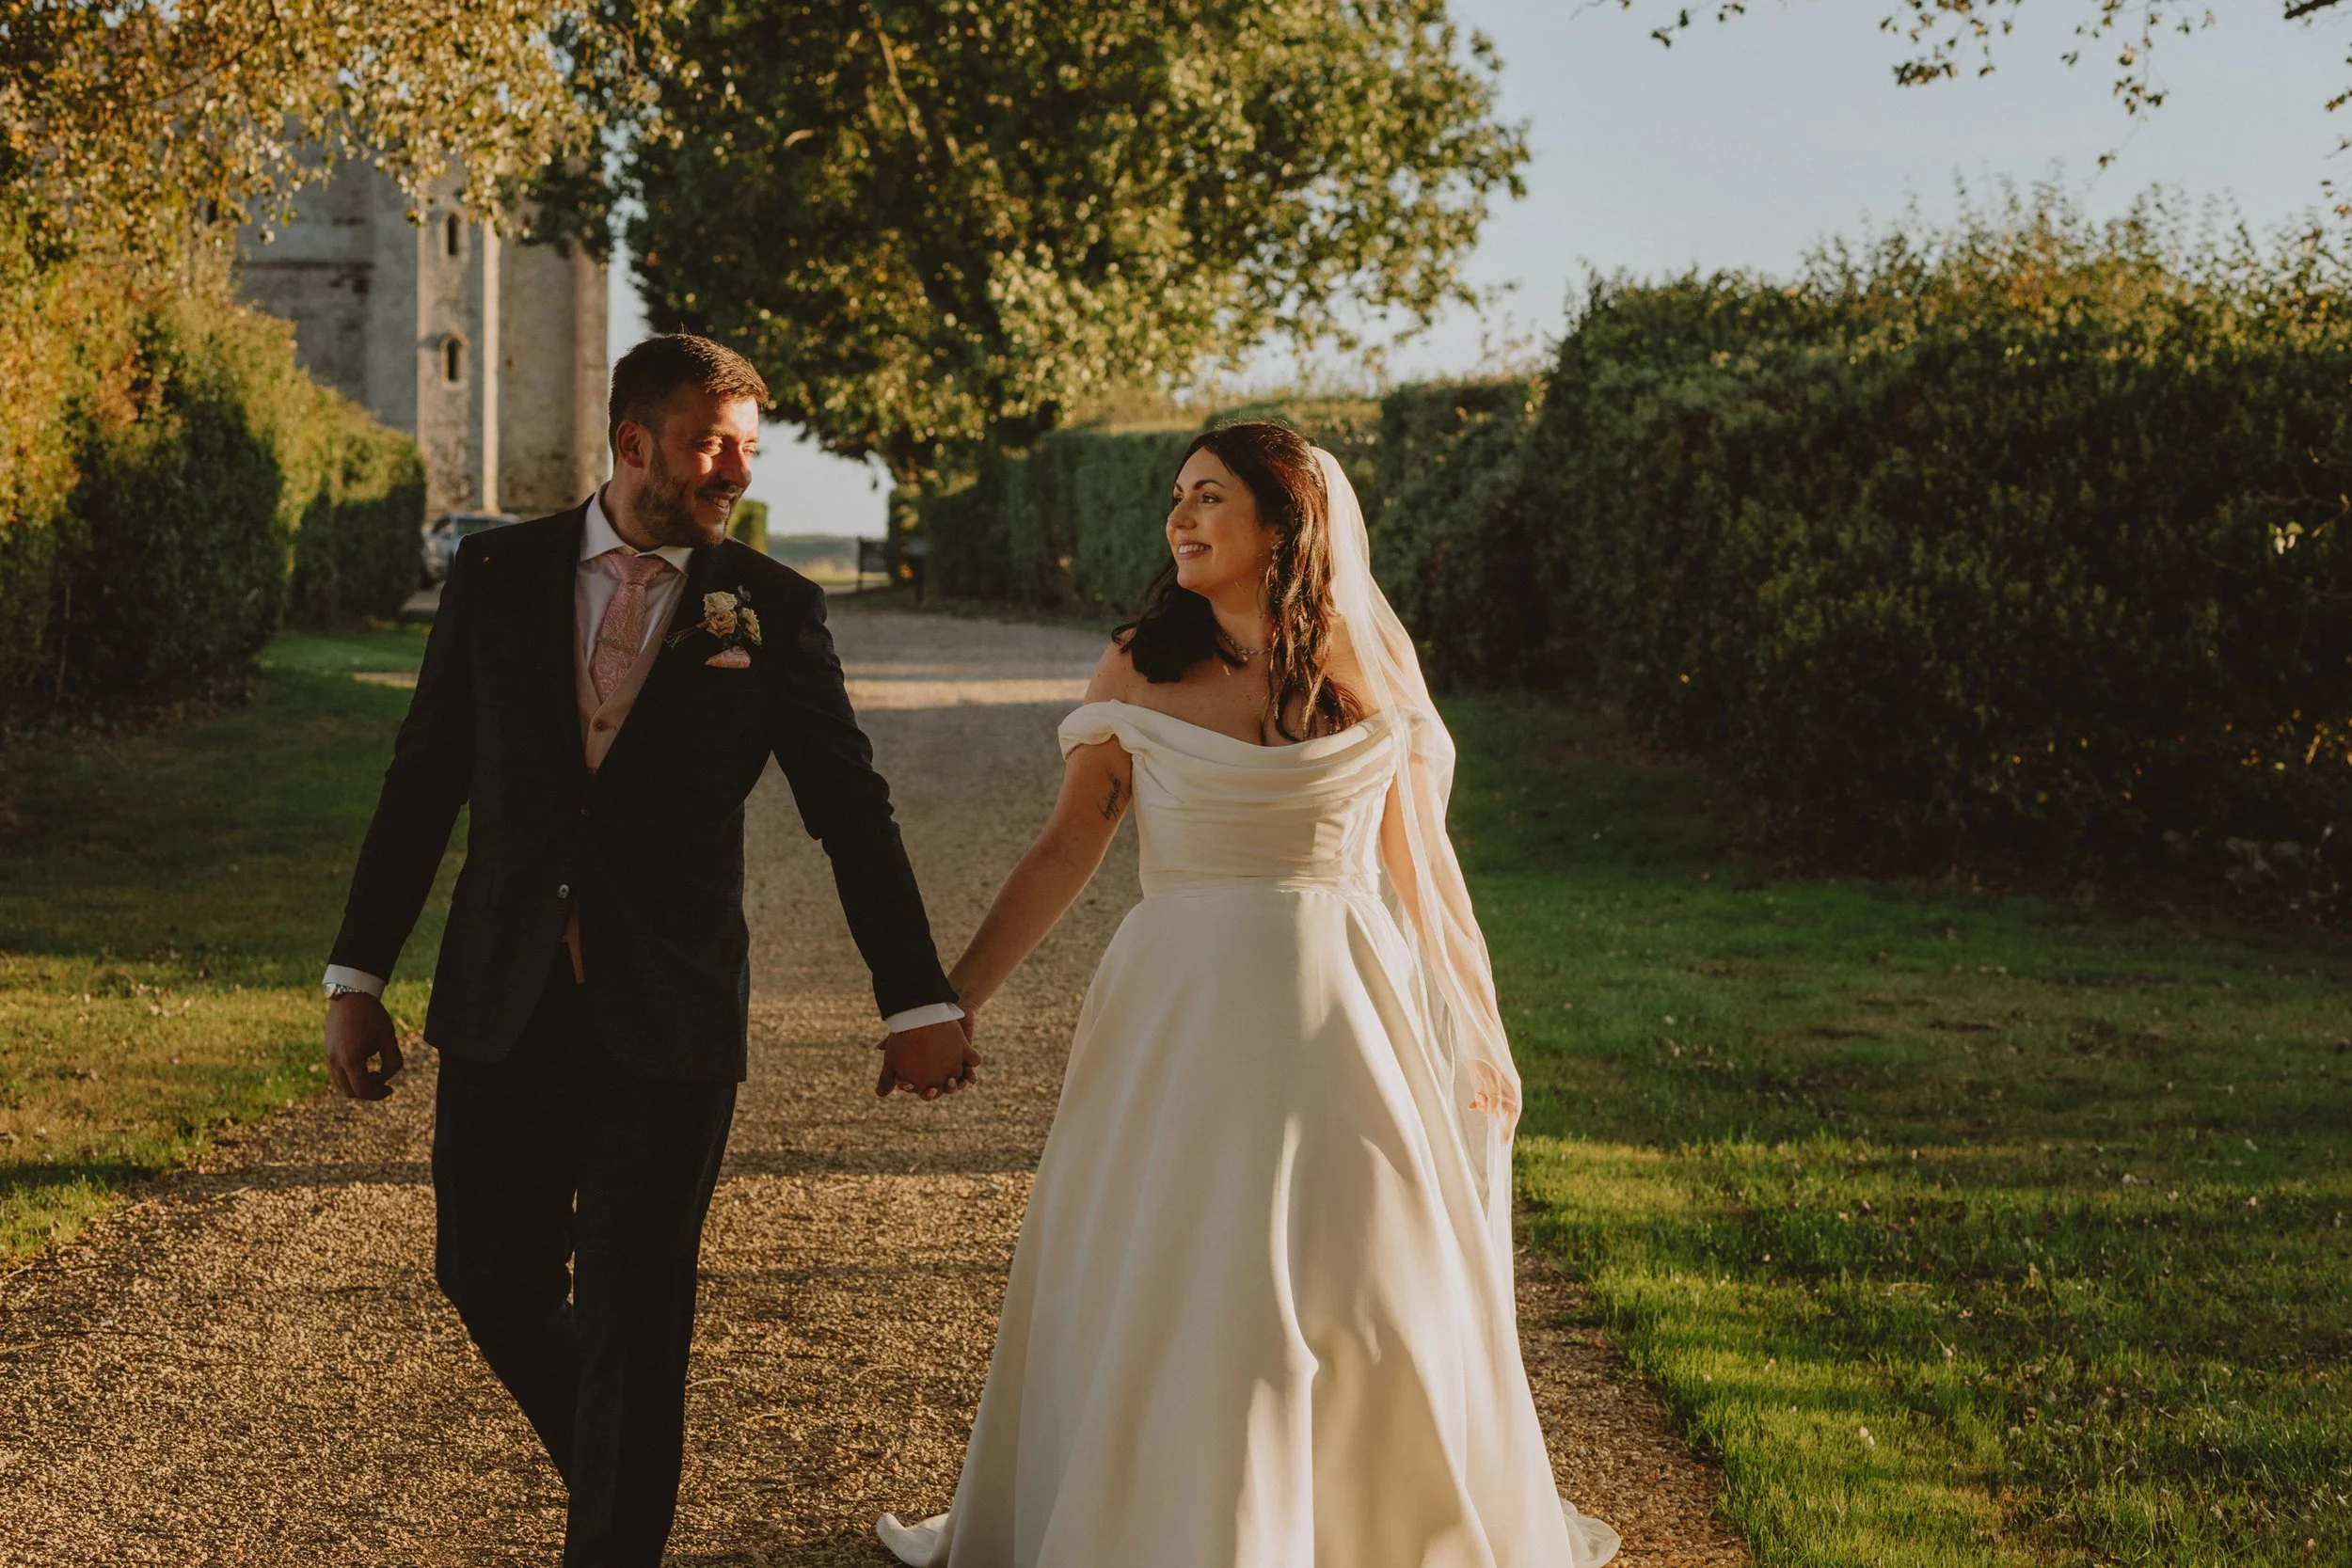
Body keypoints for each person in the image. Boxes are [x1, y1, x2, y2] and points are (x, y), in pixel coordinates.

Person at [878, 422, 1620, 1566]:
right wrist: (951, 998)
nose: (1178, 517)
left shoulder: (1365, 667)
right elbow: (1065, 847)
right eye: (1175, 496)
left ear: (1283, 522)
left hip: (1340, 1009)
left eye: (1208, 497)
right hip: (1175, 1010)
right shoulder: (1138, 661)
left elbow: (1426, 873)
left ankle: (1365, 1518)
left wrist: (1480, 1028)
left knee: (1362, 1265)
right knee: (1171, 1261)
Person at [319, 333, 979, 1568]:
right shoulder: (497, 573)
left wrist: (916, 999)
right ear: (633, 445)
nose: (736, 470)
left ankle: (616, 1532)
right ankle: (624, 1470)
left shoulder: (771, 609)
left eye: (747, 449)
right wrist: (356, 976)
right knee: (487, 1273)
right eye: (711, 445)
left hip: (667, 1014)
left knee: (636, 1312)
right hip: (505, 997)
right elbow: (424, 782)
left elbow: (853, 811)